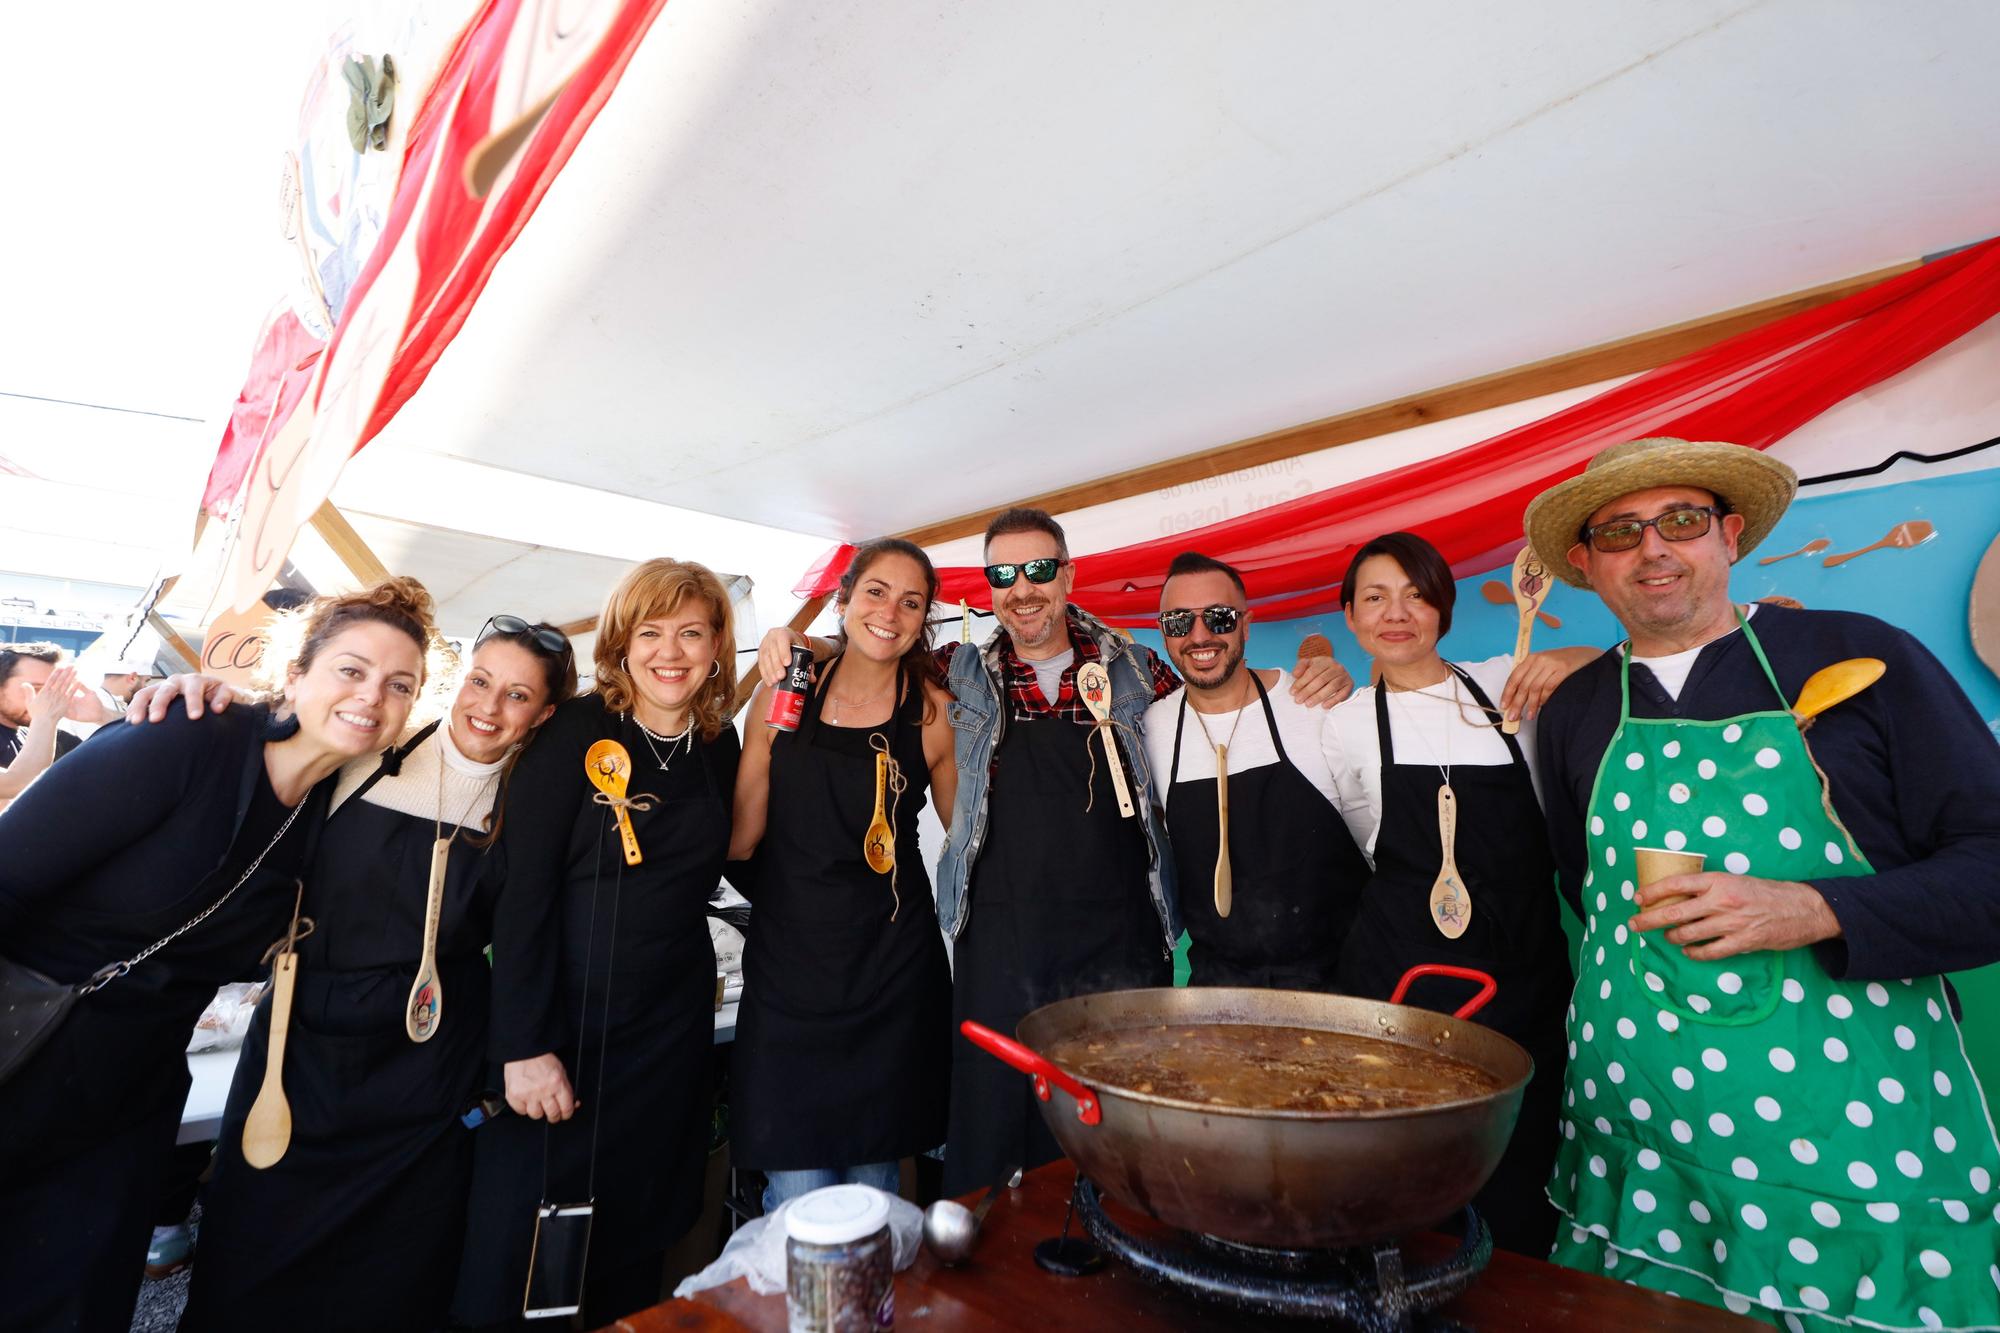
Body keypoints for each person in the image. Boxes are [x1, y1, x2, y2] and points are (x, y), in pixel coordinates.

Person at [1524, 437, 2000, 1326]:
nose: (1654, 548)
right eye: (1620, 532)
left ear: (1729, 535)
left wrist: (1815, 905)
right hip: (1639, 1142)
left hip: (1843, 1147)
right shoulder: (1577, 712)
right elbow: (1581, 887)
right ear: (1587, 566)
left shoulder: (1859, 656)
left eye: (1680, 520)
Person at [760, 508, 1351, 1196]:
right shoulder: (956, 673)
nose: (1023, 588)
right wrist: (799, 644)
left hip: (1120, 948)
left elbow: (1224, 692)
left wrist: (1312, 675)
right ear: (988, 589)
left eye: (1039, 569)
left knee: (1116, 1146)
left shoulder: (1135, 669)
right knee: (994, 1151)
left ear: (1068, 575)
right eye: (1003, 574)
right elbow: (874, 647)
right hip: (999, 948)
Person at [0, 578, 436, 1333]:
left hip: (126, 1099)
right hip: (24, 1048)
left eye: (401, 684)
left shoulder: (333, 811)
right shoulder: (187, 734)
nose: (373, 695)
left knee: (77, 1303)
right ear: (294, 672)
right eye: (351, 669)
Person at [138, 616, 578, 1331]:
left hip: (428, 1063)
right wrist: (206, 696)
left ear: (546, 713)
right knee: (254, 1245)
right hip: (301, 1044)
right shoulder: (373, 744)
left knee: (396, 1267)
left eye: (518, 695)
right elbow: (272, 734)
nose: (488, 707)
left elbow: (536, 934)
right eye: (481, 681)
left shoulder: (531, 801)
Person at [454, 559, 742, 1330]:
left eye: (691, 632)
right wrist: (523, 1044)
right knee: (524, 1259)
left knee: (634, 1242)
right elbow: (524, 895)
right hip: (563, 1037)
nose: (670, 651)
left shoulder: (720, 744)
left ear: (718, 644)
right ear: (621, 643)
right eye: (651, 632)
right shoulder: (578, 729)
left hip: (666, 1034)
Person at [1322, 531, 1595, 1256]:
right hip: (1400, 985)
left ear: (1443, 606)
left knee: (1518, 1178)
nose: (1397, 612)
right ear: (1350, 616)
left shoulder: (1510, 683)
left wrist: (1572, 657)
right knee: (1400, 1182)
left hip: (1522, 980)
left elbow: (1624, 667)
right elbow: (1358, 840)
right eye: (1375, 597)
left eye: (1416, 593)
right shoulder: (1341, 724)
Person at [729, 538, 956, 1210]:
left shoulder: (934, 714)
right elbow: (739, 838)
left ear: (923, 618)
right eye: (877, 592)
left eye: (911, 601)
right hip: (789, 977)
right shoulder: (783, 696)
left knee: (874, 1191)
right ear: (844, 599)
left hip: (893, 973)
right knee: (795, 1197)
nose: (891, 610)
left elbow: (975, 846)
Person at [1140, 551, 1372, 988]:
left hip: (1342, 985)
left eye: (1220, 617)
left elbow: (1377, 845)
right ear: (1164, 634)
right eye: (1179, 622)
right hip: (1221, 994)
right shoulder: (1151, 729)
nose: (1200, 635)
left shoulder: (1312, 704)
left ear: (1246, 624)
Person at [0, 644, 92, 803]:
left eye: (53, 690)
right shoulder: (42, 722)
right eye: (36, 689)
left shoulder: (28, 732)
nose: (47, 699)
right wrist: (46, 719)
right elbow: (19, 783)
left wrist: (102, 716)